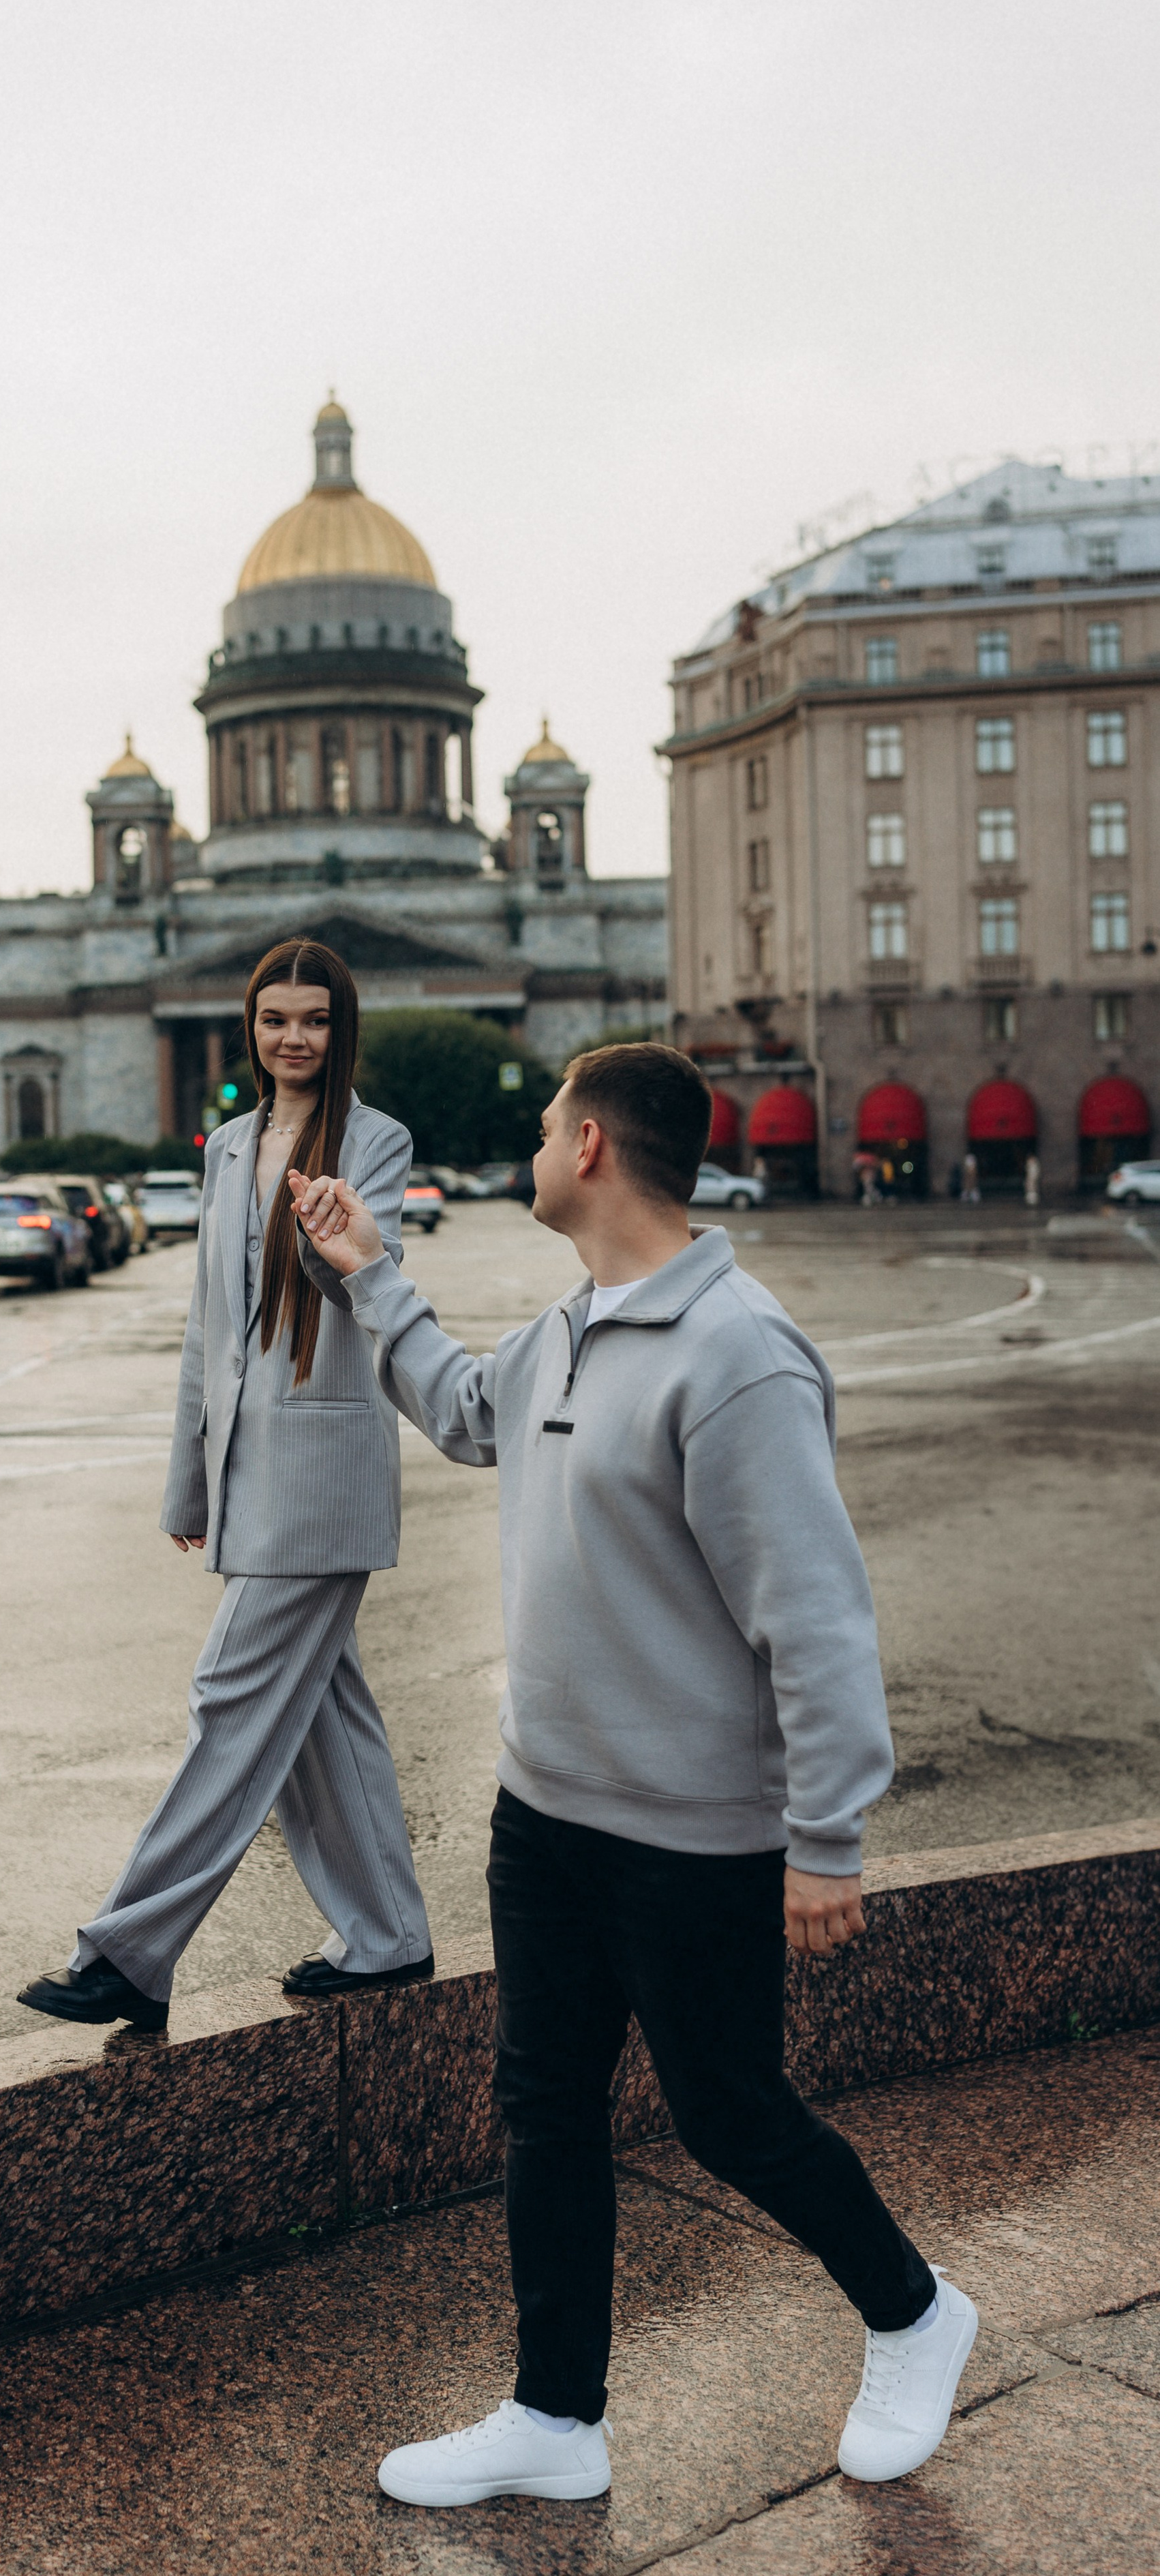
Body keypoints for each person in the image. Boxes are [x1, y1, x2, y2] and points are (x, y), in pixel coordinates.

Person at [290, 1041, 977, 2506]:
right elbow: (467, 1410)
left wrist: (826, 1834)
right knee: (543, 2108)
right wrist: (364, 1271)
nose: (533, 1144)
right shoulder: (567, 1327)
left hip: (692, 1834)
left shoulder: (739, 1353)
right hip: (544, 1812)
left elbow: (812, 1609)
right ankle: (554, 2418)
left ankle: (915, 2314)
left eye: (544, 1124)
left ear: (590, 1146)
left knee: (726, 2111)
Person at [17, 935, 432, 2034]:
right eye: (274, 1019)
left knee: (232, 1697)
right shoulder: (227, 1144)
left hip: (326, 1472)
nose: (293, 1039)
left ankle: (131, 1950)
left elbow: (358, 1294)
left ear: (341, 1033)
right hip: (251, 1469)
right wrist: (187, 1483)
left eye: (315, 1021)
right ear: (251, 1027)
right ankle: (389, 1937)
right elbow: (209, 1327)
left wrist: (337, 1237)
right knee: (316, 1715)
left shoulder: (375, 1143)